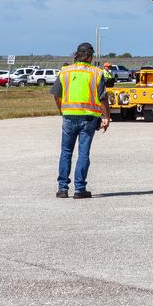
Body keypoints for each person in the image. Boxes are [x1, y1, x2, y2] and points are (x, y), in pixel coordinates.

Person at [51, 42, 110, 199]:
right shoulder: (97, 73)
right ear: (90, 56)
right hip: (88, 119)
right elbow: (103, 98)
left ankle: (62, 189)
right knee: (83, 153)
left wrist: (62, 110)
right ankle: (79, 189)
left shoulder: (65, 72)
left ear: (76, 55)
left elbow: (56, 95)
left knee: (66, 152)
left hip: (68, 117)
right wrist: (106, 117)